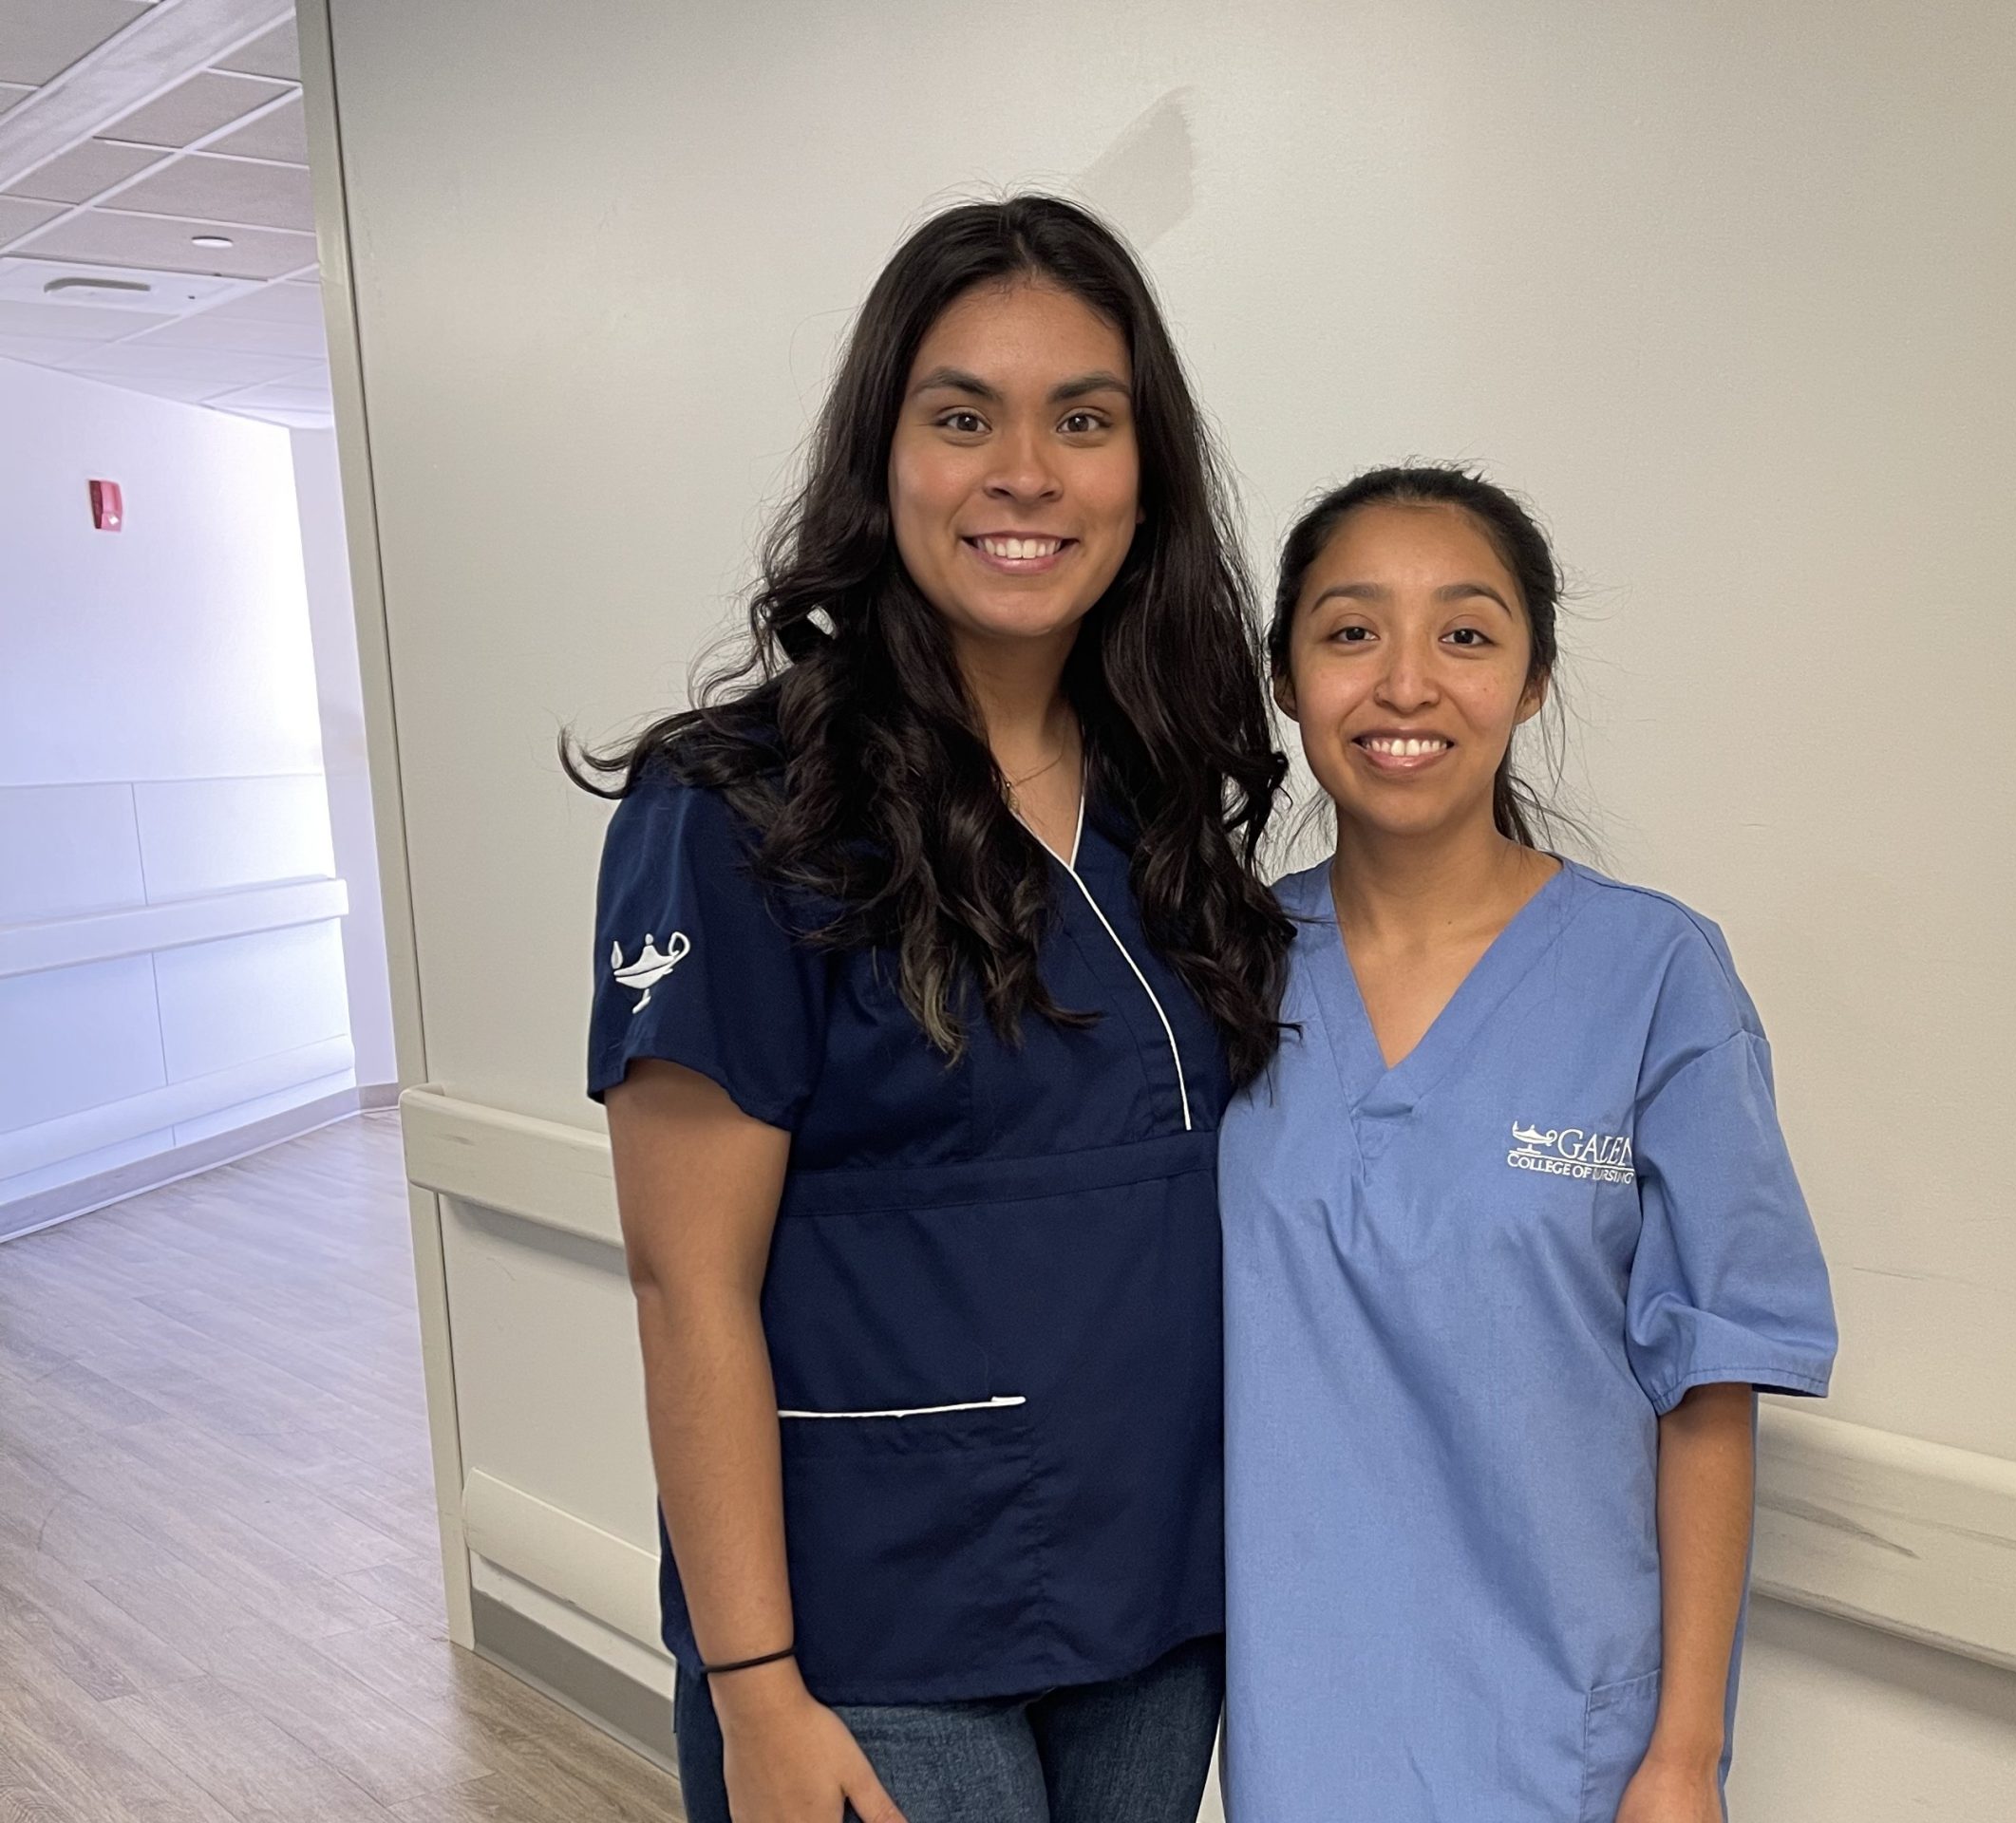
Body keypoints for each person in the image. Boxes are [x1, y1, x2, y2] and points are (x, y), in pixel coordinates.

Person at [574, 196, 1291, 1823]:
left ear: (1145, 471)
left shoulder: (1167, 802)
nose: (1023, 472)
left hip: (1155, 1600)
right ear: (883, 456)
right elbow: (684, 1283)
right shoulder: (740, 808)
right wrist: (754, 1690)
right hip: (868, 1624)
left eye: (1083, 421)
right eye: (962, 415)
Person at [1219, 465, 1837, 1822]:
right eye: (1350, 631)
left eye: (1466, 633)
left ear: (1533, 677)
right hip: (1295, 1718)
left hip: (1566, 1735)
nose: (1405, 683)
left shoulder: (1653, 977)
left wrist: (1687, 1756)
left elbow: (1709, 1387)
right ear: (1286, 677)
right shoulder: (1220, 971)